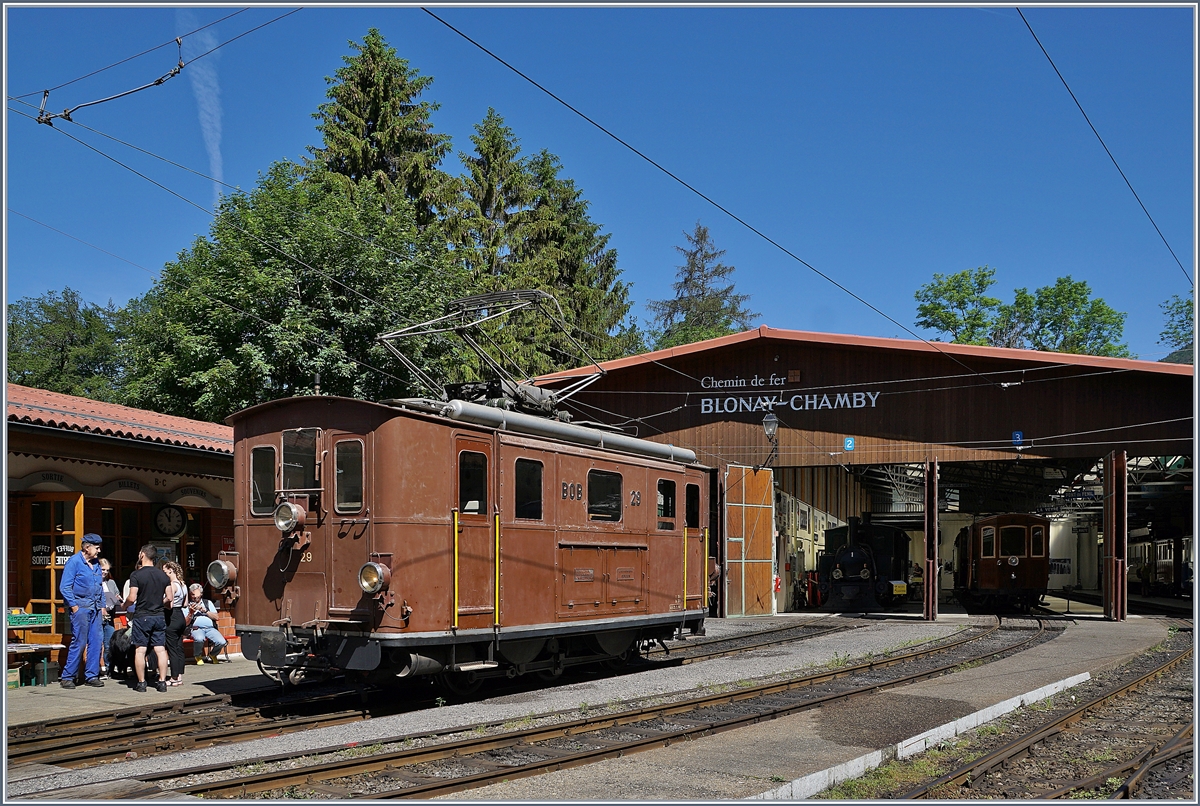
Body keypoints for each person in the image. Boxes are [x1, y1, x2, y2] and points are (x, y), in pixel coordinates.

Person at [58, 533, 106, 688]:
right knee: (79, 642)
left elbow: (100, 586)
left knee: (97, 641)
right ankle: (68, 677)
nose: (98, 551)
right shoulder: (74, 562)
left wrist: (102, 606)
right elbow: (65, 587)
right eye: (96, 548)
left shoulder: (96, 563)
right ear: (87, 547)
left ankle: (91, 675)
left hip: (95, 608)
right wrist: (74, 606)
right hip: (80, 607)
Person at [123, 545, 172, 693]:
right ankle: (162, 682)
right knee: (160, 650)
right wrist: (158, 603)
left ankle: (142, 683)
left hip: (142, 616)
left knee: (140, 650)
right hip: (159, 616)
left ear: (142, 555)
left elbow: (132, 597)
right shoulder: (163, 576)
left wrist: (125, 605)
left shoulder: (136, 575)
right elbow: (169, 598)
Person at [186, 583, 228, 663]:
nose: (194, 597)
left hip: (210, 628)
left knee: (222, 642)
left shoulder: (208, 603)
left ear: (201, 594)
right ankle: (198, 656)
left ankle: (213, 654)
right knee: (199, 639)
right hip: (196, 628)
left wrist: (205, 611)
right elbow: (186, 623)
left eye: (196, 595)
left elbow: (216, 617)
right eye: (192, 595)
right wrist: (191, 612)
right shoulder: (187, 604)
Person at [162, 560, 188, 687]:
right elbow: (185, 604)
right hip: (181, 617)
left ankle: (173, 678)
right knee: (179, 648)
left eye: (165, 571)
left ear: (171, 571)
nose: (164, 573)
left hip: (171, 617)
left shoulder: (172, 584)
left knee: (172, 649)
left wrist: (161, 603)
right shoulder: (183, 584)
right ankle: (180, 676)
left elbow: (170, 603)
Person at [99, 558, 121, 677]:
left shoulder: (110, 582)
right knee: (97, 644)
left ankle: (109, 669)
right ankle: (95, 670)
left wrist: (117, 597)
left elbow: (116, 594)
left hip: (109, 615)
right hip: (97, 616)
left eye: (107, 570)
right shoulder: (94, 582)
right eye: (103, 569)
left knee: (109, 644)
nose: (105, 572)